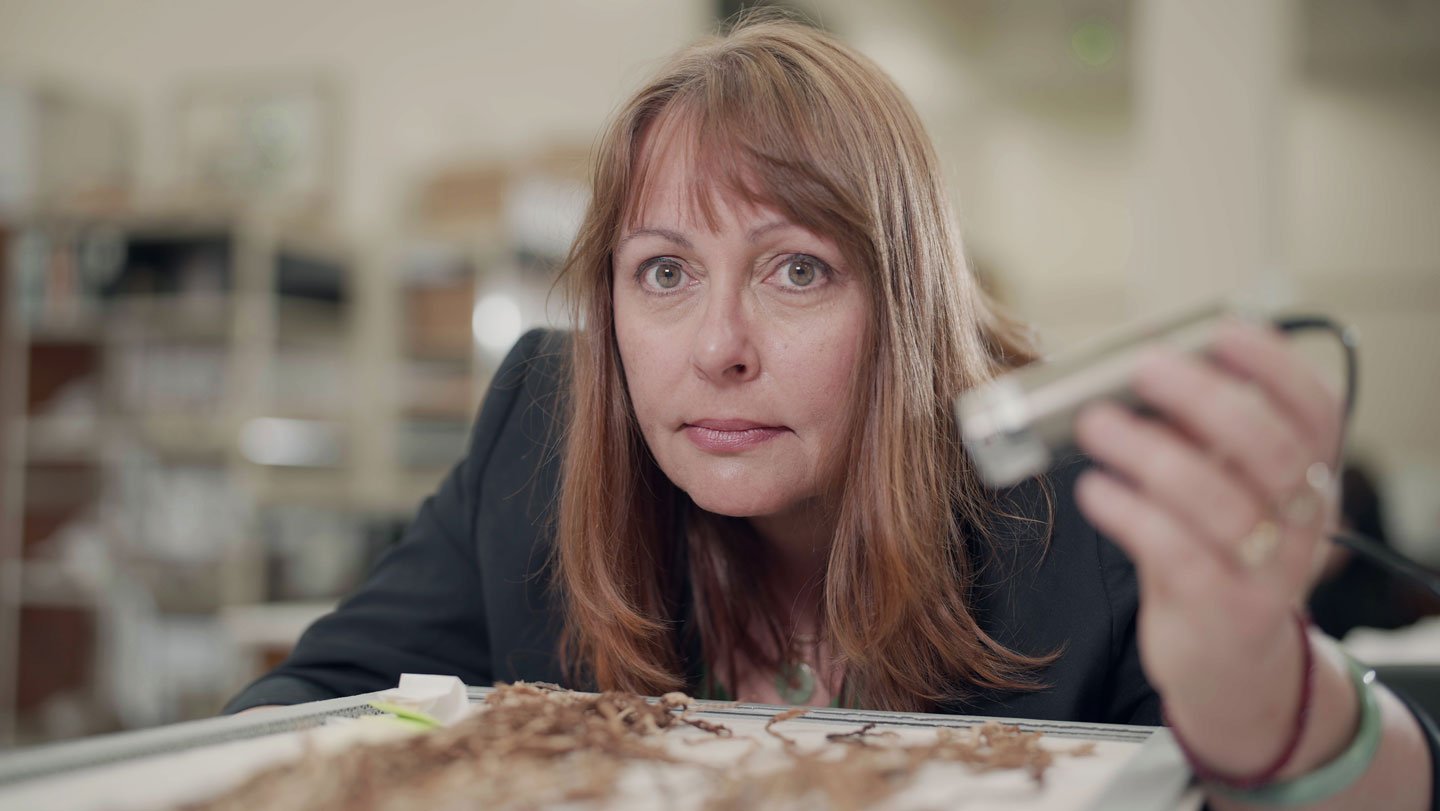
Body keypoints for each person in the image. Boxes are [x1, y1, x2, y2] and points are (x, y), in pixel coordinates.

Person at [226, 16, 1437, 809]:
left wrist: (1273, 708)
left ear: (906, 306)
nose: (718, 347)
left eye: (797, 269)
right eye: (664, 271)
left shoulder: (1083, 509)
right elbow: (292, 718)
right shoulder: (540, 432)